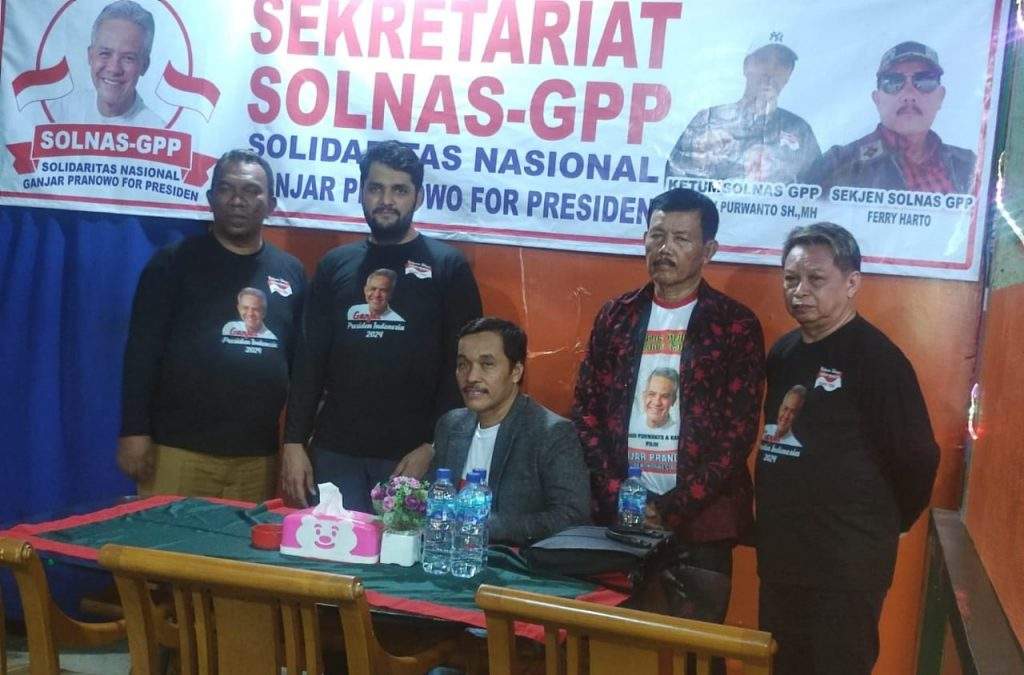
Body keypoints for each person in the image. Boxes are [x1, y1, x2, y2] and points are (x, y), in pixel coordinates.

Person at [572, 187, 765, 623]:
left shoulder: (734, 325)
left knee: (691, 649)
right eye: (656, 235)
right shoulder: (616, 316)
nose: (664, 249)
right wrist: (619, 493)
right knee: (612, 643)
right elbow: (585, 409)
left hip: (701, 523)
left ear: (708, 250)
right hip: (618, 517)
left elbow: (736, 435)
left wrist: (670, 507)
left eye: (681, 238)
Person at [756, 222, 940, 675]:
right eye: (790, 278)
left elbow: (918, 457)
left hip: (844, 566)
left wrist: (890, 522)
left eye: (815, 279)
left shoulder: (878, 360)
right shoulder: (783, 353)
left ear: (852, 283)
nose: (799, 290)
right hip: (782, 559)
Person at [282, 141, 482, 513]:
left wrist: (434, 447)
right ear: (361, 192)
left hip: (412, 456)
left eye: (399, 190)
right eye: (376, 188)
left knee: (402, 552)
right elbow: (309, 360)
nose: (386, 200)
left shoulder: (448, 267)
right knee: (328, 550)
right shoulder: (335, 265)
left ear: (418, 197)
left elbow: (463, 368)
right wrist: (293, 442)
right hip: (334, 453)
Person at [117, 149, 306, 501]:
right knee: (164, 538)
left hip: (257, 457)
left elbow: (299, 365)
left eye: (251, 191)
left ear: (271, 203)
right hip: (177, 451)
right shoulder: (173, 263)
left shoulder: (290, 272)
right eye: (226, 189)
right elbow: (141, 353)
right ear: (210, 198)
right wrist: (134, 431)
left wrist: (297, 441)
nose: (238, 200)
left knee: (242, 540)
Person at [429, 317, 590, 546]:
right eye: (463, 364)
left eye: (487, 364)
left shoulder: (551, 433)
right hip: (450, 556)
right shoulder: (450, 425)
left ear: (516, 371)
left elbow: (572, 518)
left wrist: (484, 525)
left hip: (518, 562)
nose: (471, 377)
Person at [801, 41, 976, 194]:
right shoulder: (839, 165)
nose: (909, 94)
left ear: (941, 97)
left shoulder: (971, 166)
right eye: (893, 82)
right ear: (877, 99)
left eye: (924, 81)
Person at [665, 35, 820, 183]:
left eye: (781, 64)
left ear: (789, 74)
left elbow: (819, 189)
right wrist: (696, 159)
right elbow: (673, 177)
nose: (770, 71)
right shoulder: (710, 119)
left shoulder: (800, 130)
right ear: (746, 66)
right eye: (763, 60)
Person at [50, 0, 165, 127]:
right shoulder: (59, 114)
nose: (114, 69)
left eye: (128, 58)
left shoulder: (159, 131)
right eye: (105, 53)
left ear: (145, 66)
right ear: (90, 56)